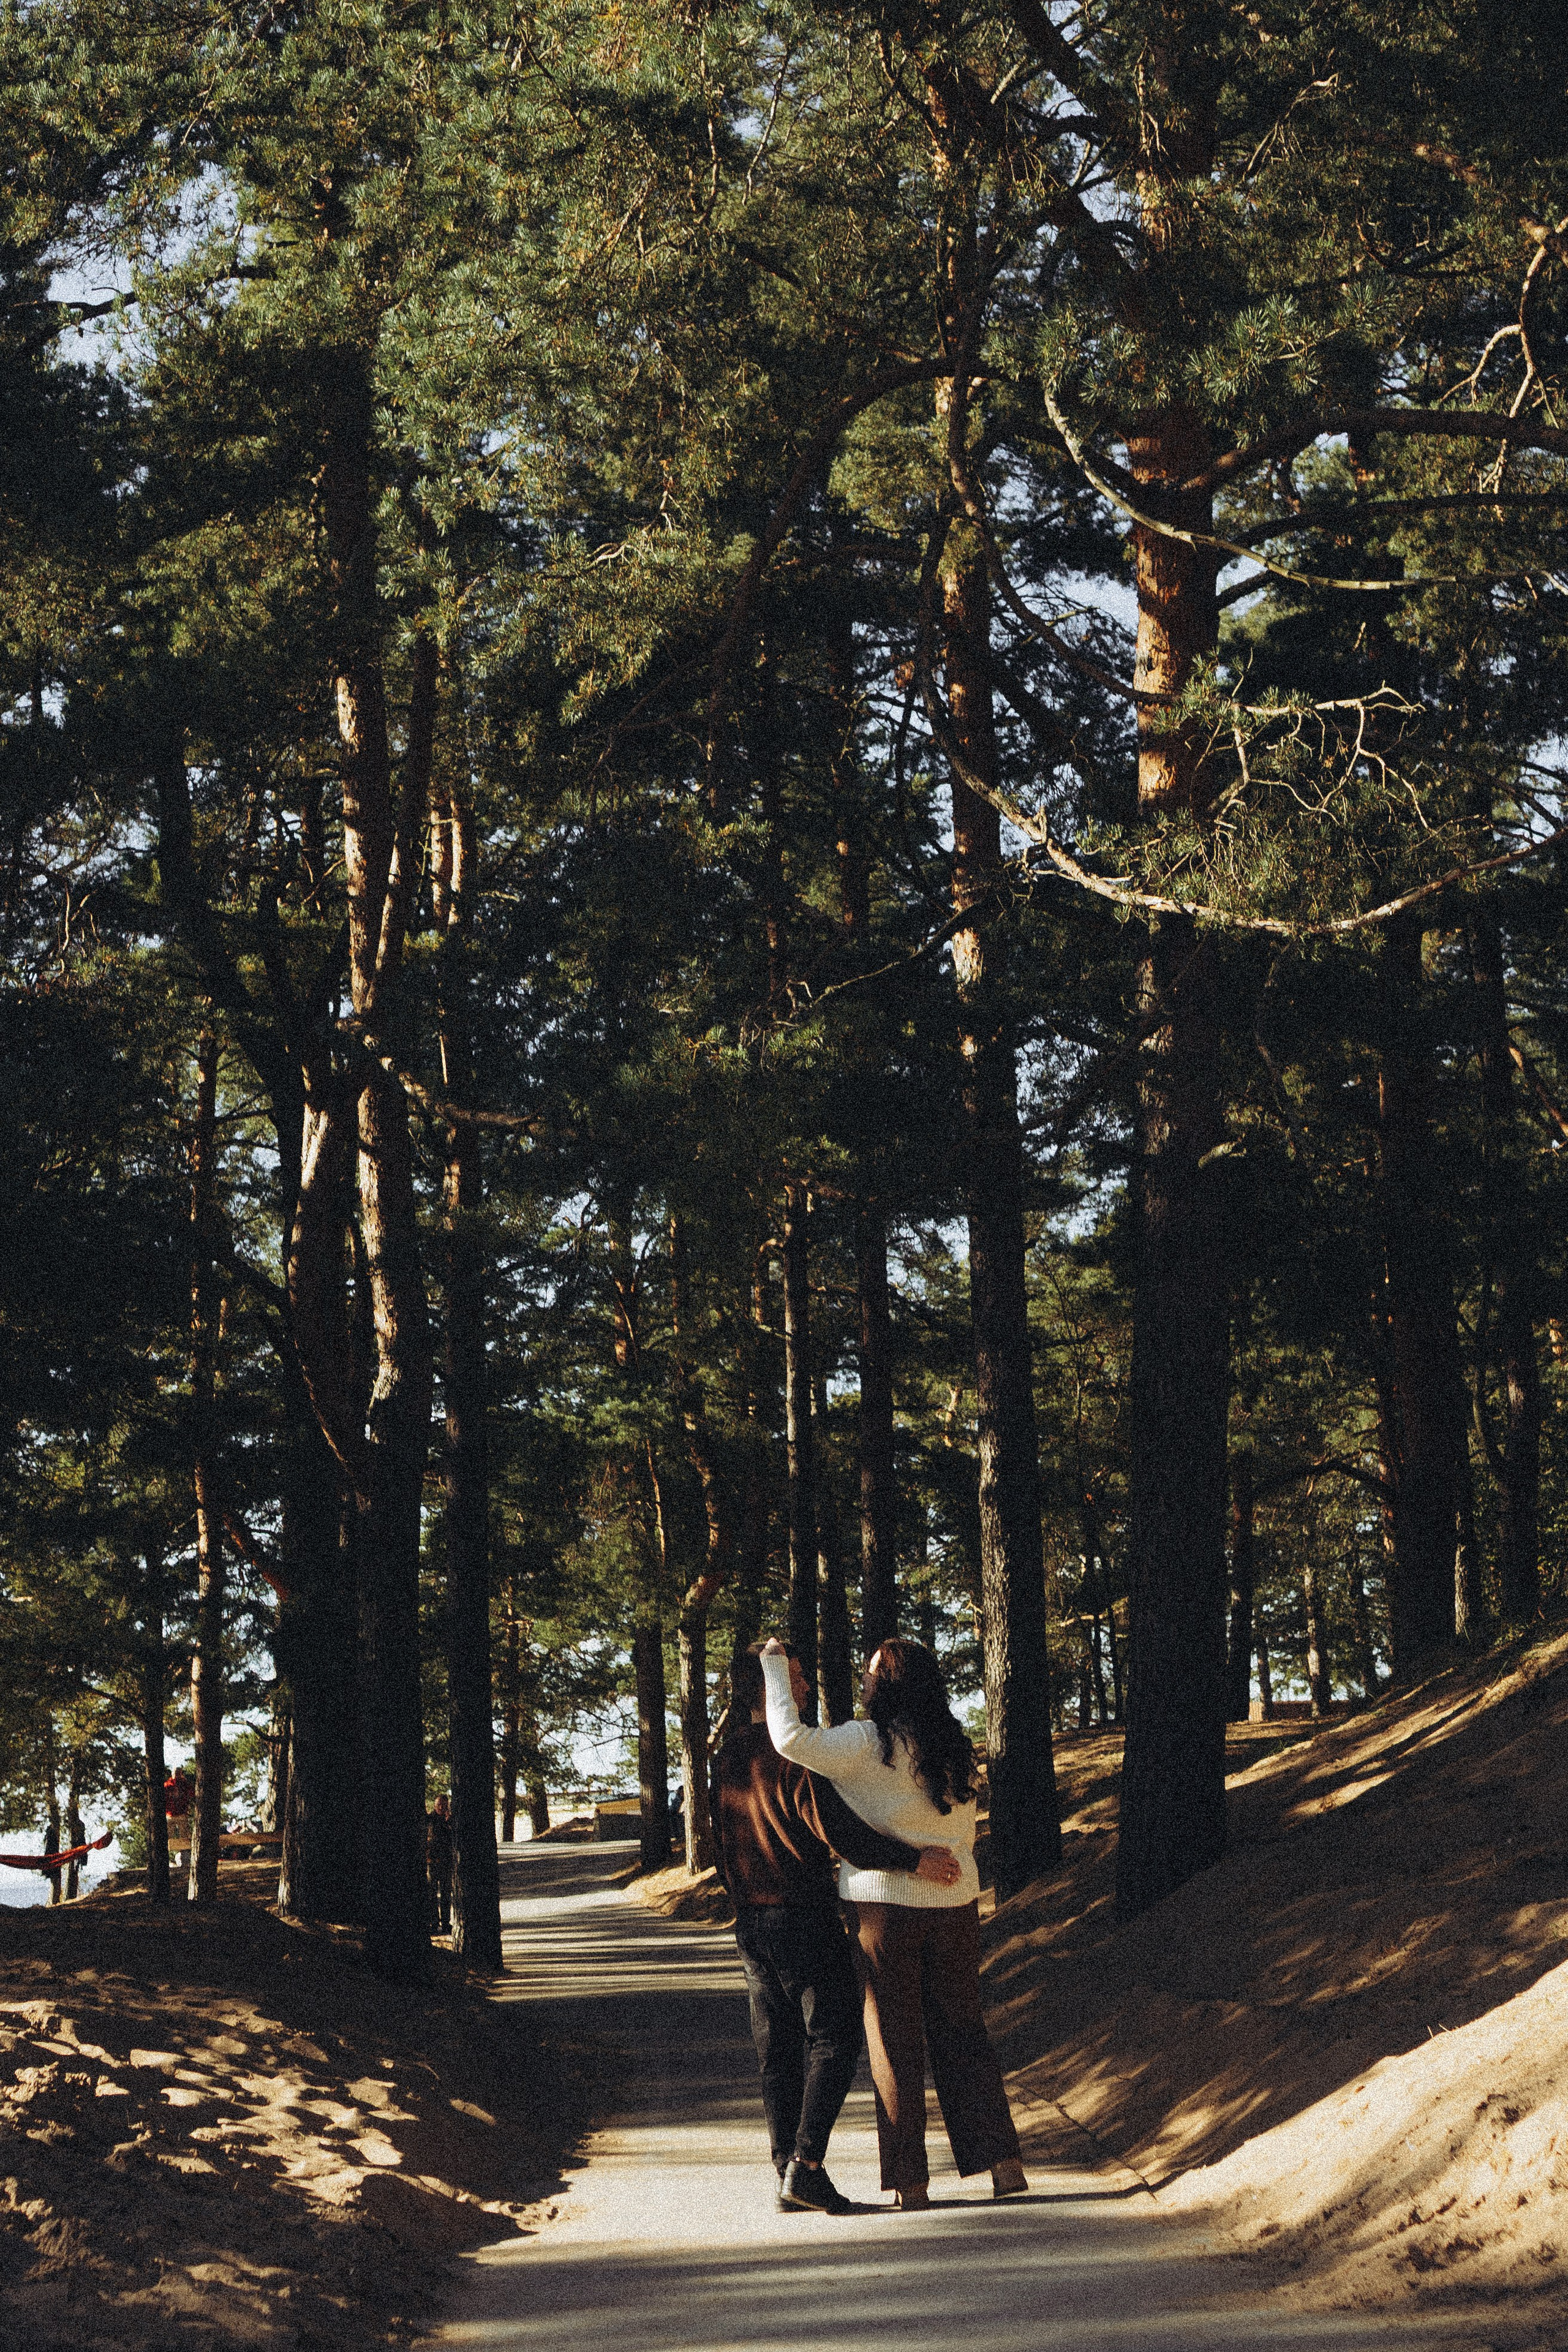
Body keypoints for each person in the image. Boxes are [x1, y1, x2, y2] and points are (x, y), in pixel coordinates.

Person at [760, 1635, 1027, 2209]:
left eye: (869, 1676)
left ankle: (912, 2181)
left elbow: (788, 1739)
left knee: (893, 2039)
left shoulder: (865, 1742)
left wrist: (775, 1665)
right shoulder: (953, 1747)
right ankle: (1003, 2165)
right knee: (963, 2030)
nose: (862, 1684)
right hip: (957, 1904)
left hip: (885, 1909)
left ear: (883, 1687)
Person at [712, 1640, 962, 2215]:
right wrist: (912, 1859)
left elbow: (721, 1843)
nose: (803, 1689)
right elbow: (841, 1833)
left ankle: (786, 2172)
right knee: (836, 2035)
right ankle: (807, 2165)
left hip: (750, 1921)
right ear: (763, 1687)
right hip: (801, 1913)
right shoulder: (796, 1761)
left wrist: (740, 1904)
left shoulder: (725, 1758)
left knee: (776, 2047)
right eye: (795, 1678)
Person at [427, 1793, 453, 1935]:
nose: (441, 1807)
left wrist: (450, 1823)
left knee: (445, 1895)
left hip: (446, 1863)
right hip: (431, 1862)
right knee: (431, 1895)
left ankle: (445, 1923)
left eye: (444, 1805)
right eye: (439, 1804)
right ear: (434, 1805)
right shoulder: (429, 1819)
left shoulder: (450, 1821)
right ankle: (434, 1922)